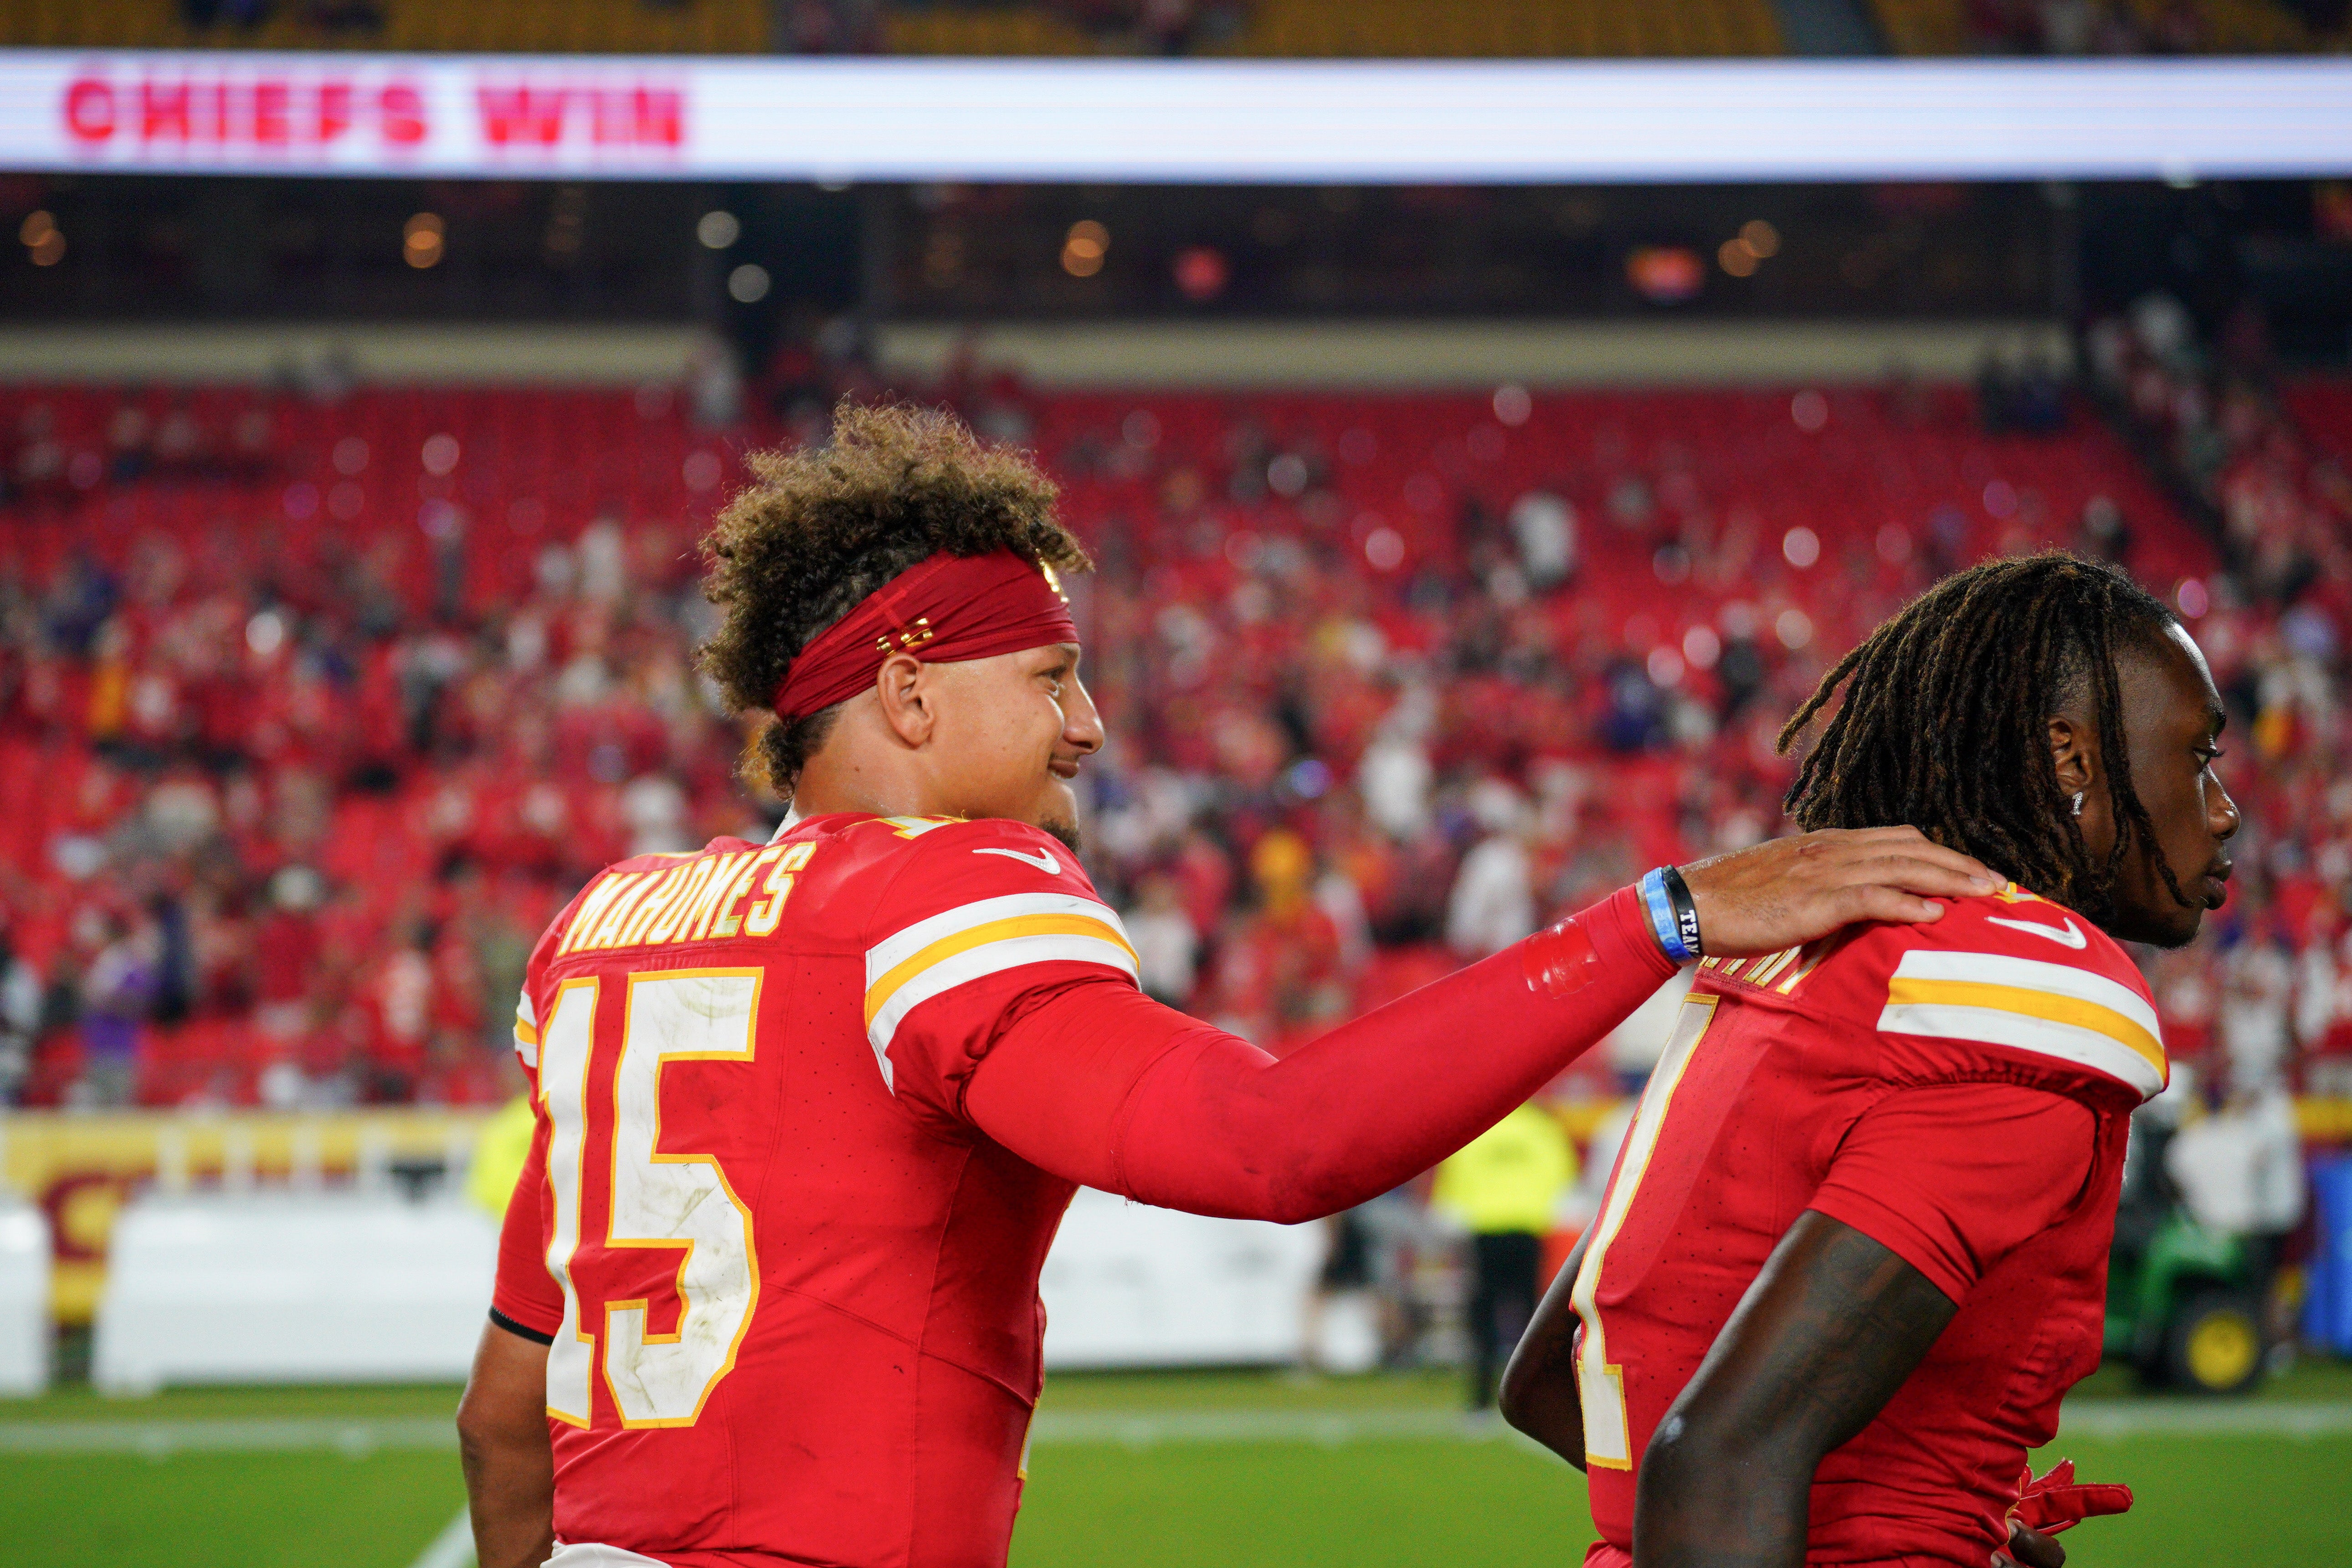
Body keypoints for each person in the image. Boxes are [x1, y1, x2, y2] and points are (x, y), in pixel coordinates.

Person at [454, 403, 1999, 1568]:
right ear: (910, 691)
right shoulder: (939, 893)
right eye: (1051, 676)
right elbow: (1268, 1147)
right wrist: (1659, 917)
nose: (1090, 728)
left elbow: (502, 1411)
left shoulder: (612, 924)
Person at [1501, 553, 2240, 1568]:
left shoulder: (1802, 952)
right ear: (2071, 760)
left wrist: (1923, 1491)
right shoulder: (2023, 988)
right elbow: (1719, 1459)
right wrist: (1908, 1532)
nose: (2224, 807)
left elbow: (1551, 1380)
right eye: (2197, 757)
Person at [1432, 1098, 1576, 1409]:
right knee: (1531, 1319)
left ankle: (1480, 1402)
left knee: (1483, 1318)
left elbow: (1453, 1185)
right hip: (1527, 1230)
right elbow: (1563, 1179)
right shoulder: (1542, 1128)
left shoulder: (1477, 1129)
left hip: (1485, 1233)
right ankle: (1532, 1401)